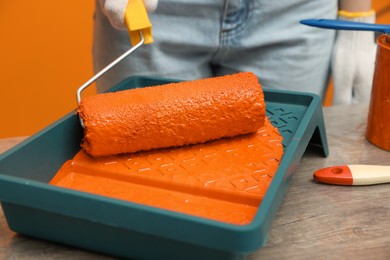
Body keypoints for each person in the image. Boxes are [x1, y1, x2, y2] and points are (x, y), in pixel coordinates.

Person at [94, 0, 376, 105]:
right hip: (156, 11)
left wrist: (356, 17)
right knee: (142, 172)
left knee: (278, 174)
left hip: (292, 14)